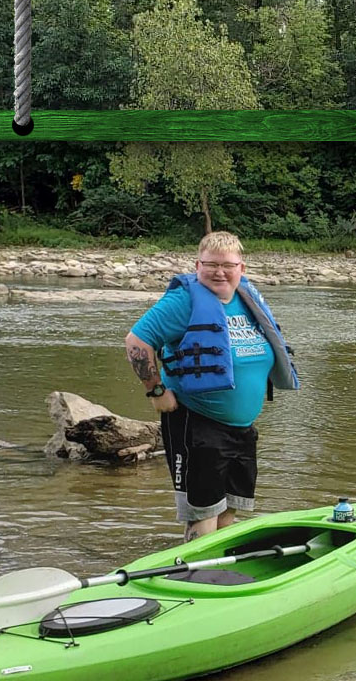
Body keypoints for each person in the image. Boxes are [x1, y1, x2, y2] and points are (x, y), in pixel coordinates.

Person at [124, 232, 299, 541]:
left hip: (242, 427)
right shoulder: (184, 301)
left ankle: (221, 569)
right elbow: (137, 341)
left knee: (229, 508)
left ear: (241, 269)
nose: (220, 272)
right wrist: (156, 391)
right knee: (202, 512)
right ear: (197, 266)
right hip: (197, 422)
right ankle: (195, 579)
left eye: (228, 265)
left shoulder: (246, 298)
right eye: (211, 264)